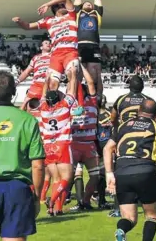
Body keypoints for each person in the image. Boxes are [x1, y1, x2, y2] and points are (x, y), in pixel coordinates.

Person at [0, 70, 45, 240]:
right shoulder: (27, 120)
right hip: (17, 190)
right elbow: (38, 165)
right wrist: (37, 197)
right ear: (14, 92)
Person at [104, 99, 156, 241]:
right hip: (146, 171)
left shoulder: (123, 126)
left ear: (138, 110)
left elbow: (107, 148)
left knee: (129, 218)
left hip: (122, 172)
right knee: (151, 216)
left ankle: (121, 230)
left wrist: (109, 173)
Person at [12, 0, 84, 113]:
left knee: (72, 74)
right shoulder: (48, 20)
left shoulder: (71, 15)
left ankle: (78, 106)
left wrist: (47, 4)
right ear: (56, 8)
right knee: (52, 84)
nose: (64, 5)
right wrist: (19, 21)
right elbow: (28, 26)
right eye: (61, 5)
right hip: (56, 55)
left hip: (70, 51)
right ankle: (53, 110)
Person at [109, 75, 156, 216]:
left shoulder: (121, 100)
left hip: (125, 136)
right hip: (145, 137)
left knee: (121, 168)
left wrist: (118, 130)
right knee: (152, 169)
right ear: (142, 87)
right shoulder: (148, 101)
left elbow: (112, 118)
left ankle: (118, 209)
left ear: (129, 86)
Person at [39, 68, 78, 216]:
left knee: (56, 179)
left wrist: (47, 80)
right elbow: (72, 91)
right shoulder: (64, 107)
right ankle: (53, 200)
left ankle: (56, 209)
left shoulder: (43, 108)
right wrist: (72, 75)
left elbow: (43, 94)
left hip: (48, 146)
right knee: (66, 178)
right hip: (62, 145)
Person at [69, 65, 100, 211]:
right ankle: (58, 204)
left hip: (89, 144)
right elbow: (70, 87)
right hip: (74, 143)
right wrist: (73, 73)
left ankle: (85, 202)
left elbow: (91, 83)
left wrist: (80, 66)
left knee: (95, 176)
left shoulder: (93, 101)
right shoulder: (70, 103)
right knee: (69, 176)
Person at [74, 0, 104, 96]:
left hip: (94, 46)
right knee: (78, 74)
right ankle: (76, 96)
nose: (88, 4)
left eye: (90, 4)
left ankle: (96, 98)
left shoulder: (97, 13)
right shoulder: (78, 12)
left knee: (95, 74)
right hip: (80, 46)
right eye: (86, 3)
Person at [26, 98, 52, 204]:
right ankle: (41, 197)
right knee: (46, 173)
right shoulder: (43, 113)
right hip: (42, 144)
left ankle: (33, 194)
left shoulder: (27, 116)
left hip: (29, 145)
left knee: (31, 172)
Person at [16, 40, 51, 110]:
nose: (49, 44)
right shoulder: (35, 58)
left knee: (47, 109)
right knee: (28, 106)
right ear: (41, 47)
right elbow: (26, 72)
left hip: (49, 85)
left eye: (50, 43)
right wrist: (17, 81)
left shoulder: (55, 56)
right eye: (46, 43)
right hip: (37, 85)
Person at [96, 94, 113, 208]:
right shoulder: (93, 114)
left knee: (111, 170)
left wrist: (110, 124)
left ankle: (111, 194)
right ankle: (100, 198)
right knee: (100, 173)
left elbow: (114, 124)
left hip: (108, 145)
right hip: (97, 145)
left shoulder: (109, 113)